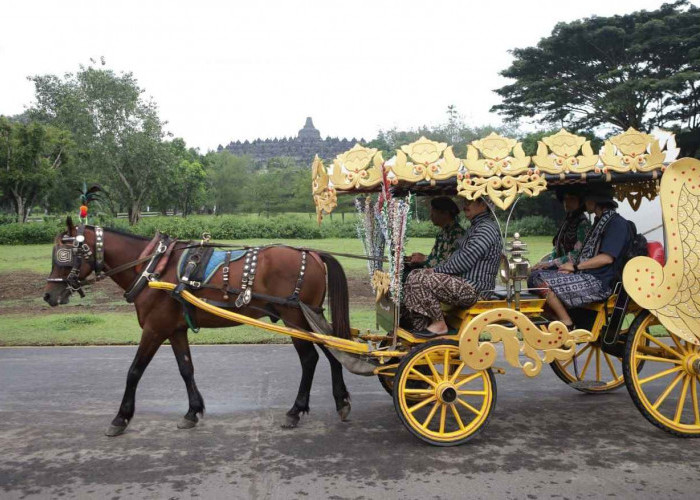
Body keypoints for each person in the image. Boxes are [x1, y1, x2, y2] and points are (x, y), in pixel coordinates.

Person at [528, 185, 631, 329]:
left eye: (587, 199)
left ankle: (566, 322)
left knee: (538, 278)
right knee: (535, 275)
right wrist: (571, 268)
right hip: (587, 275)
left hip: (599, 282)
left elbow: (607, 258)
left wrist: (576, 267)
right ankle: (555, 317)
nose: (585, 202)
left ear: (597, 201)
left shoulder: (616, 224)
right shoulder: (600, 221)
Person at [402, 197, 503, 336]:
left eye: (470, 202)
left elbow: (464, 260)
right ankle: (422, 329)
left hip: (475, 289)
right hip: (465, 284)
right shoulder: (476, 227)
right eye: (465, 201)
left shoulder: (486, 229)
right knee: (414, 275)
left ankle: (439, 324)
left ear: (483, 205)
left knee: (419, 279)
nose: (465, 205)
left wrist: (436, 270)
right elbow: (456, 258)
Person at [532, 188, 591, 271]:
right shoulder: (567, 221)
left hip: (574, 269)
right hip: (561, 267)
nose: (567, 202)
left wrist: (551, 263)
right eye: (565, 198)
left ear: (580, 201)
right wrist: (545, 262)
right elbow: (557, 249)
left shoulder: (583, 224)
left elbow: (578, 254)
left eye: (572, 199)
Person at [407, 197, 465, 268]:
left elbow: (451, 264)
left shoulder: (457, 234)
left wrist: (424, 259)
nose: (430, 215)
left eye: (433, 211)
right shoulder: (442, 233)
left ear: (445, 213)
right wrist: (418, 258)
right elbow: (436, 257)